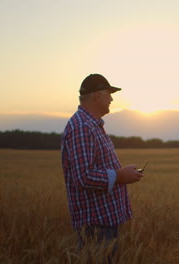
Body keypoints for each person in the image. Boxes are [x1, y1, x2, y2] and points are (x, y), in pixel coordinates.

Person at [61, 73, 143, 261]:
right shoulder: (82, 127)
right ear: (97, 96)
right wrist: (121, 176)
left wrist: (122, 173)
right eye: (109, 94)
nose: (112, 99)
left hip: (103, 222)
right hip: (95, 225)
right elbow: (83, 176)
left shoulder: (92, 125)